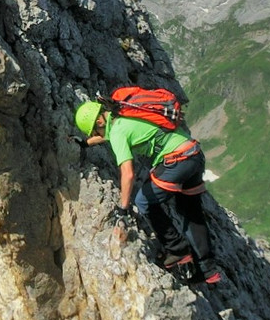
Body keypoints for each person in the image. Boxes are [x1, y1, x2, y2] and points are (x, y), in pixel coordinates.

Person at [75, 98, 222, 284]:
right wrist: (86, 143)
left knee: (144, 201)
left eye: (95, 130)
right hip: (193, 154)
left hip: (176, 162)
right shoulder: (123, 117)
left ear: (99, 122)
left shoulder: (119, 132)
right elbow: (107, 135)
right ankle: (208, 270)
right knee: (190, 212)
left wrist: (123, 209)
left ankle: (177, 249)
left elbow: (127, 174)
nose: (97, 133)